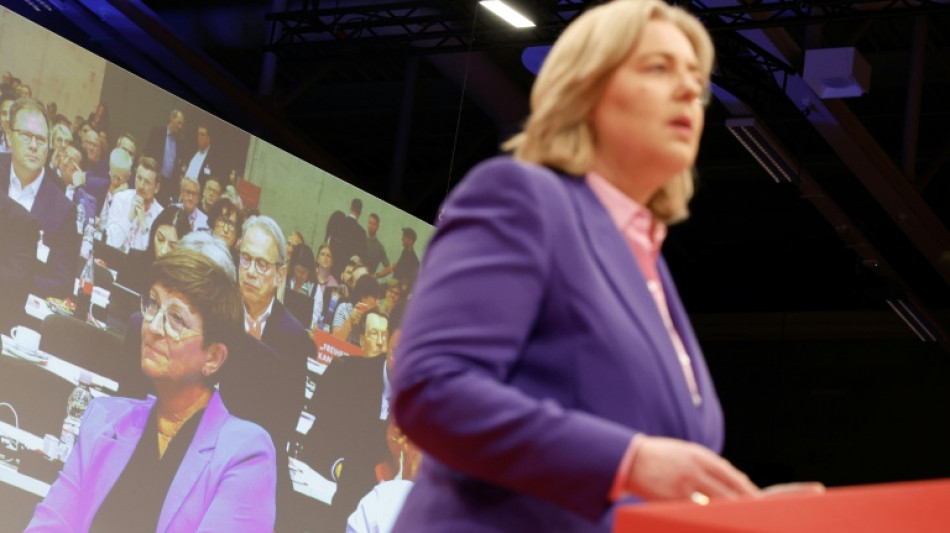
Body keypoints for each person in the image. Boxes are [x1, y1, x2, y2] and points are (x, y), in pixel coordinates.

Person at [389, 2, 819, 532]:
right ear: (585, 90)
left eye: (696, 79)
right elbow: (433, 387)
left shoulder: (650, 268)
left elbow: (630, 492)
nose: (690, 89)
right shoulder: (522, 196)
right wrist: (629, 461)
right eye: (659, 68)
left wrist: (743, 516)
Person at [25, 249, 277, 531]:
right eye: (154, 304)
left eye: (177, 319)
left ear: (213, 358)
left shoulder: (244, 454)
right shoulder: (104, 419)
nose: (154, 326)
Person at [304, 308, 392, 530]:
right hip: (338, 507)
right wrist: (340, 469)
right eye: (374, 334)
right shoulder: (344, 372)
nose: (380, 342)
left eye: (383, 335)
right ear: (361, 339)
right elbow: (314, 441)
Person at [0, 97, 79, 298]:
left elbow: (63, 282)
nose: (34, 145)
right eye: (26, 136)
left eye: (41, 140)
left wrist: (12, 280)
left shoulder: (63, 209)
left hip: (20, 306)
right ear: (9, 136)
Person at [104, 156, 164, 251]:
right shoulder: (120, 198)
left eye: (147, 182)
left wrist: (143, 223)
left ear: (156, 188)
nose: (141, 185)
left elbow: (151, 253)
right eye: (139, 178)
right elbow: (110, 242)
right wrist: (129, 218)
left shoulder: (161, 215)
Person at [145, 109, 185, 204]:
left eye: (182, 124)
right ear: (171, 118)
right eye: (179, 123)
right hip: (154, 179)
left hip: (168, 186)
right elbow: (147, 153)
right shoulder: (157, 132)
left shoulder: (180, 142)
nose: (180, 126)